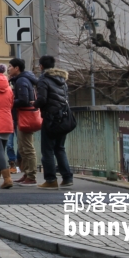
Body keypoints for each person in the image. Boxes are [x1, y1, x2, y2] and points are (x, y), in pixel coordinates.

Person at [35, 56, 74, 188]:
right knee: (60, 148)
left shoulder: (43, 79)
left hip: (50, 119)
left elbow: (42, 100)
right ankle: (67, 177)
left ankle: (51, 180)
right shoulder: (62, 80)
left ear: (41, 66)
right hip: (63, 118)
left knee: (47, 150)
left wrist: (34, 104)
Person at [9, 58, 40, 185]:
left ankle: (31, 175)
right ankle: (26, 173)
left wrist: (9, 102)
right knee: (22, 148)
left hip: (25, 117)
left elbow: (24, 100)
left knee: (27, 148)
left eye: (10, 66)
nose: (8, 68)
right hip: (23, 117)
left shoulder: (21, 81)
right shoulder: (22, 80)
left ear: (17, 68)